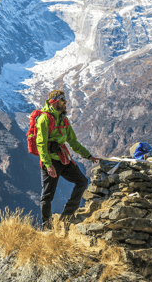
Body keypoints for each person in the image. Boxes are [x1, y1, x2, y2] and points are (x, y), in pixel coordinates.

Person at [36, 90, 101, 229]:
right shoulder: (44, 119)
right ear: (54, 102)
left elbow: (73, 142)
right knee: (47, 195)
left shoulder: (64, 120)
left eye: (65, 100)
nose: (65, 102)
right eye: (62, 100)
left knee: (82, 181)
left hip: (63, 159)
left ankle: (67, 216)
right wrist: (48, 165)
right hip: (51, 162)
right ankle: (46, 228)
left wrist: (88, 156)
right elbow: (41, 144)